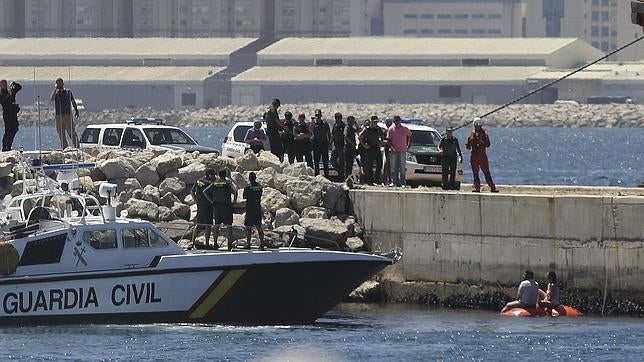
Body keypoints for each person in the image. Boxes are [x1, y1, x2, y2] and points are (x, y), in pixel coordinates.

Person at [466, 117, 498, 193]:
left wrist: (481, 142)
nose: (477, 127)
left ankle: (492, 187)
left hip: (481, 156)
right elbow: (468, 145)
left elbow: (488, 144)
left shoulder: (484, 134)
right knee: (476, 173)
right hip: (475, 156)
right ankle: (477, 187)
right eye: (476, 126)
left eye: (478, 126)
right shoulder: (472, 134)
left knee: (486, 172)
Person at [50, 78, 80, 149]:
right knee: (61, 133)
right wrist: (55, 89)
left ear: (63, 84)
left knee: (71, 132)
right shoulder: (56, 93)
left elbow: (73, 101)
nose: (59, 85)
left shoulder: (68, 92)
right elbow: (52, 99)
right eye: (57, 84)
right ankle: (65, 148)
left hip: (67, 115)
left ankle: (77, 147)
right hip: (58, 115)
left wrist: (76, 110)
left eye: (59, 83)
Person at [190, 169, 216, 249]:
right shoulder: (209, 183)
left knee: (198, 224)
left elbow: (192, 191)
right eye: (213, 175)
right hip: (208, 206)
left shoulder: (198, 181)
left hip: (200, 206)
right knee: (208, 225)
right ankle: (207, 244)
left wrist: (196, 201)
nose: (214, 176)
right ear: (209, 175)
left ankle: (192, 242)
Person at [212, 170, 237, 251]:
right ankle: (229, 244)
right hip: (226, 206)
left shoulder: (215, 183)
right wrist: (234, 201)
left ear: (218, 175)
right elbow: (235, 191)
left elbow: (205, 191)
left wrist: (211, 201)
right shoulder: (227, 183)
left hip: (217, 206)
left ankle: (215, 243)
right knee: (229, 226)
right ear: (225, 175)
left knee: (216, 225)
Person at [387, 116, 412, 187]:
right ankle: (393, 182)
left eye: (397, 121)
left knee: (402, 167)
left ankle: (402, 183)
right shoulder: (391, 129)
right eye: (395, 121)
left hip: (402, 150)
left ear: (400, 121)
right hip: (394, 151)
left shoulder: (404, 128)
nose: (396, 122)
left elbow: (410, 135)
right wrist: (391, 147)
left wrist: (408, 145)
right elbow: (388, 139)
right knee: (393, 167)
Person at [243, 172, 266, 250]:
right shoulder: (259, 187)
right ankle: (262, 244)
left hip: (250, 209)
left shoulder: (247, 187)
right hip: (257, 208)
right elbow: (260, 195)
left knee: (248, 227)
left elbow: (244, 196)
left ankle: (248, 244)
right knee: (259, 226)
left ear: (249, 178)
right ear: (255, 178)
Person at [359, 116, 383, 185]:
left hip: (377, 147)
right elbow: (360, 137)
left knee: (379, 163)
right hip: (370, 148)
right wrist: (364, 145)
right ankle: (369, 181)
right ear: (371, 122)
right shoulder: (367, 129)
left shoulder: (378, 129)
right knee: (369, 165)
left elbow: (382, 136)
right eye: (374, 122)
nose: (375, 123)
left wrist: (381, 142)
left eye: (376, 122)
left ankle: (377, 179)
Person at [0, 80, 21, 152]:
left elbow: (19, 87)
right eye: (3, 84)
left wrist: (14, 84)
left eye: (5, 84)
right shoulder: (1, 93)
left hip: (13, 113)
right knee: (8, 130)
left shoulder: (11, 90)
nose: (4, 85)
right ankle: (4, 147)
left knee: (15, 129)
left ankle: (9, 146)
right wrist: (9, 94)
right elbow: (4, 102)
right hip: (7, 114)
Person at [311, 109, 331, 177]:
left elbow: (329, 134)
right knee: (316, 162)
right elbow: (310, 130)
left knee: (325, 161)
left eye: (319, 115)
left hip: (324, 144)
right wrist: (313, 122)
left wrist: (329, 143)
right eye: (316, 115)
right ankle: (316, 176)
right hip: (316, 144)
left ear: (321, 115)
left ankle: (326, 176)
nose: (318, 116)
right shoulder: (314, 124)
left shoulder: (325, 124)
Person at [330, 112, 346, 180]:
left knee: (342, 161)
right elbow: (333, 135)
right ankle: (340, 172)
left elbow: (345, 135)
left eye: (339, 118)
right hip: (336, 145)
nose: (337, 119)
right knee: (333, 160)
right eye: (336, 118)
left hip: (342, 145)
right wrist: (330, 143)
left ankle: (341, 176)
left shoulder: (343, 126)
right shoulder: (335, 125)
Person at [382, 117, 393, 185]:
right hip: (387, 150)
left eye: (389, 122)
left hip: (395, 150)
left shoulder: (394, 130)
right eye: (387, 122)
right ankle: (388, 181)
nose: (388, 124)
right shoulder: (385, 131)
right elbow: (383, 141)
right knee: (387, 165)